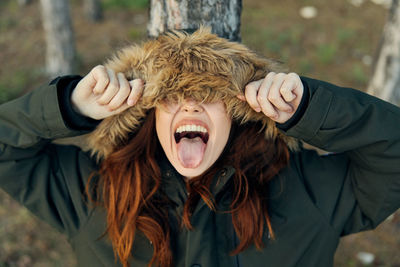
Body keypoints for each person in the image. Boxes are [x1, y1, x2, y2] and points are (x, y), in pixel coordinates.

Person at [0, 28, 399, 267]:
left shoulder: (307, 188)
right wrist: (69, 106)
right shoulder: (93, 191)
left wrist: (308, 109)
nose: (189, 105)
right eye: (171, 96)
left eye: (209, 96)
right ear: (148, 112)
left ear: (239, 111)